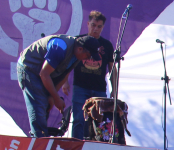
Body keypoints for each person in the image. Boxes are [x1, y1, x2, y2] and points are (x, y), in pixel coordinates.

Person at [16, 34, 101, 138]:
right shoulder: (59, 47)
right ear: (80, 49)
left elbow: (64, 75)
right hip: (29, 69)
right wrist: (56, 98)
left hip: (43, 73)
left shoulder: (77, 55)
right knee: (39, 104)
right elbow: (44, 74)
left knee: (45, 104)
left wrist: (51, 97)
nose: (87, 59)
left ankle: (40, 137)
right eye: (88, 56)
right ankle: (38, 140)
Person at [62, 11, 115, 140]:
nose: (95, 29)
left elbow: (112, 68)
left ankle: (98, 146)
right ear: (87, 24)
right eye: (93, 25)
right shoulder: (78, 41)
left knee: (100, 120)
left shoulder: (107, 45)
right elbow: (67, 62)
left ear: (102, 27)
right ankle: (76, 145)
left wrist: (115, 89)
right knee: (79, 118)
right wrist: (65, 81)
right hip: (80, 86)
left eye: (99, 26)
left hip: (99, 88)